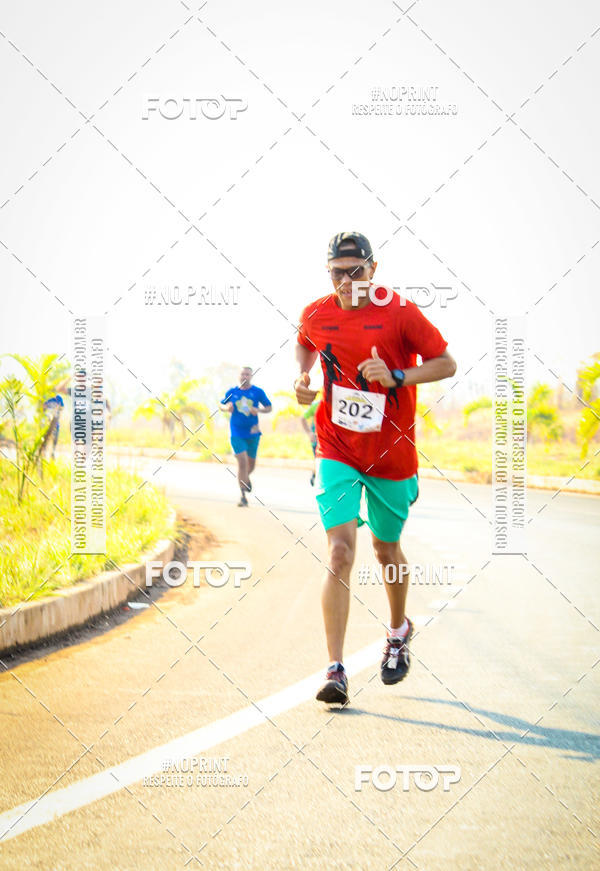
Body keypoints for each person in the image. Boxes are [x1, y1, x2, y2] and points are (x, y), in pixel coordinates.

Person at [295, 231, 456, 704]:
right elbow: (304, 342)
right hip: (337, 448)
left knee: (386, 550)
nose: (347, 283)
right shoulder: (316, 312)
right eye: (337, 274)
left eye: (356, 272)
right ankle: (335, 670)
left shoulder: (400, 313)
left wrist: (398, 375)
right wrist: (303, 376)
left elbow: (446, 363)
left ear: (373, 269)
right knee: (340, 552)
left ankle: (398, 630)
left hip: (392, 455)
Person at [220, 367, 272, 506]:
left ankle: (245, 478)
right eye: (242, 374)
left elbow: (269, 407)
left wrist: (258, 410)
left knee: (251, 465)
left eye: (247, 374)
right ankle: (243, 496)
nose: (244, 376)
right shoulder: (232, 392)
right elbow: (221, 405)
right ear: (239, 376)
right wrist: (227, 408)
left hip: (253, 432)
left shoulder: (258, 392)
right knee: (242, 463)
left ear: (251, 376)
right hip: (236, 432)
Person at [301, 398, 320, 486]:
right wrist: (309, 433)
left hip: (332, 441)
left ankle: (315, 474)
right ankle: (315, 475)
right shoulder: (316, 405)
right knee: (318, 460)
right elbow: (303, 418)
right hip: (317, 440)